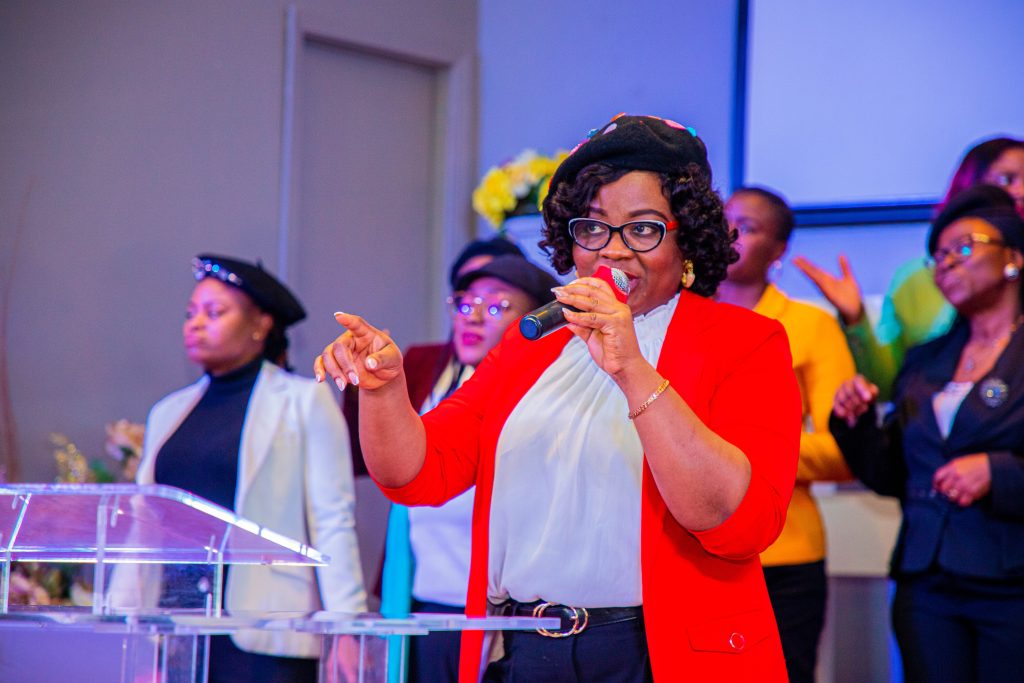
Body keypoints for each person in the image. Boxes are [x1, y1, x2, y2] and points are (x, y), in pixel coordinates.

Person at [316, 114, 802, 682]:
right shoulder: (533, 346)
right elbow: (419, 473)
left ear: (687, 238)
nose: (613, 252)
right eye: (592, 228)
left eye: (643, 229)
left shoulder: (745, 342)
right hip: (524, 649)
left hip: (658, 655)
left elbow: (736, 522)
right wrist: (384, 389)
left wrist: (631, 368)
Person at [130, 254, 366, 683]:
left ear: (260, 325)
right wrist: (129, 624)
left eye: (214, 312)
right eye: (190, 313)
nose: (195, 324)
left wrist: (345, 626)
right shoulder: (167, 412)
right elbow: (142, 528)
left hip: (266, 631)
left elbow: (333, 519)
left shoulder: (303, 401)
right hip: (177, 629)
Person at [830, 185, 1024, 682]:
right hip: (927, 583)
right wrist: (855, 422)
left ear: (1013, 258)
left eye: (963, 247)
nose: (946, 263)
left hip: (1011, 580)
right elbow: (893, 474)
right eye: (937, 256)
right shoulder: (924, 361)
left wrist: (998, 472)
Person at [382, 255, 559, 683]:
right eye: (466, 303)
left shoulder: (542, 406)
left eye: (496, 306)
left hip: (501, 617)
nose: (473, 317)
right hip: (425, 609)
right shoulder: (436, 389)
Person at [718, 186, 856, 682]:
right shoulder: (674, 316)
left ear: (778, 249)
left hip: (783, 554)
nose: (730, 233)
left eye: (748, 227)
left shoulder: (810, 325)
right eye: (724, 219)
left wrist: (732, 457)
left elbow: (844, 451)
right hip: (689, 551)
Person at [794, 136, 1024, 399]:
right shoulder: (917, 278)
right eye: (1007, 179)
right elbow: (894, 387)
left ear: (1013, 259)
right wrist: (856, 320)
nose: (1021, 191)